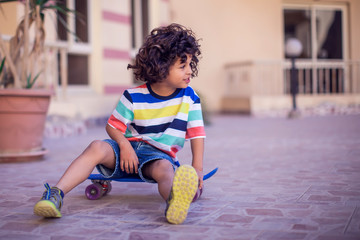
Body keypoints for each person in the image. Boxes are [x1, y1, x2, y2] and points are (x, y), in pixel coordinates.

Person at [33, 23, 206, 224]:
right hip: (127, 151)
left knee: (165, 170)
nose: (189, 72)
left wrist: (197, 168)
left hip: (159, 156)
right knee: (96, 146)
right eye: (182, 65)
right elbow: (113, 126)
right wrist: (124, 145)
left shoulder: (189, 97)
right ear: (161, 65)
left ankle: (176, 201)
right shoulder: (133, 95)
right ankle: (55, 195)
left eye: (190, 65)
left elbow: (196, 134)